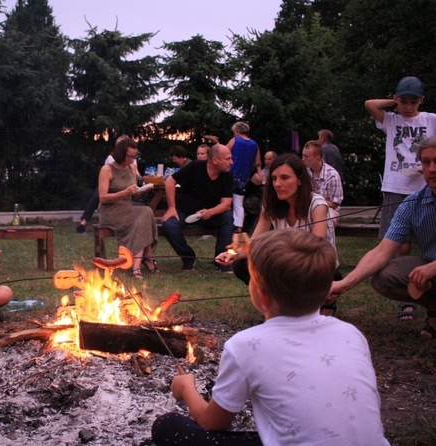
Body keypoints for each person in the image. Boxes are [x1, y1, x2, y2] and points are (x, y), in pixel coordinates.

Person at [152, 229, 390, 446]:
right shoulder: (351, 334)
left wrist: (186, 388)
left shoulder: (245, 345)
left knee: (168, 426)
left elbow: (212, 423)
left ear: (261, 295)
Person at [330, 136, 436, 338]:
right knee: (383, 277)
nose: (432, 169)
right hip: (430, 266)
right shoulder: (412, 203)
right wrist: (345, 283)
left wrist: (433, 267)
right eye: (426, 162)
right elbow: (382, 251)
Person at [217, 154, 341, 315]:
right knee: (242, 264)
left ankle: (313, 302)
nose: (277, 184)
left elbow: (317, 247)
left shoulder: (316, 204)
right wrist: (233, 254)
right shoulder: (271, 204)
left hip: (317, 267)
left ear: (300, 180)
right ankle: (281, 303)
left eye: (284, 178)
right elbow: (254, 242)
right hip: (288, 265)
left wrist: (280, 253)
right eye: (274, 178)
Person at [365, 76, 436, 320]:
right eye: (403, 101)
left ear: (421, 101)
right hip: (396, 185)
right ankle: (410, 298)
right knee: (399, 243)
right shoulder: (391, 120)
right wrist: (393, 101)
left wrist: (426, 166)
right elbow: (369, 104)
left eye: (413, 102)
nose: (408, 106)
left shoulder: (430, 119)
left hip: (423, 187)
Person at [161, 144, 234, 271]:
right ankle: (188, 258)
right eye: (228, 159)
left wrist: (210, 212)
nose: (231, 162)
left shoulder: (227, 175)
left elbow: (226, 204)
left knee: (228, 217)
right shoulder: (195, 167)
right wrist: (171, 208)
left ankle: (221, 261)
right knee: (169, 225)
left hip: (210, 214)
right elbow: (169, 182)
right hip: (185, 211)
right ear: (215, 160)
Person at [98, 138, 158, 280]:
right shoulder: (107, 169)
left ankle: (138, 263)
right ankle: (143, 262)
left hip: (127, 208)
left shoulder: (131, 169)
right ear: (120, 154)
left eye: (134, 157)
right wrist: (124, 193)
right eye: (129, 156)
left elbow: (133, 197)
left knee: (145, 213)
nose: (131, 160)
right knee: (145, 213)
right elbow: (103, 198)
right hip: (110, 211)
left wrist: (143, 190)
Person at [226, 122, 261, 232]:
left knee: (225, 200)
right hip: (244, 178)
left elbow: (224, 153)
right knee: (238, 203)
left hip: (230, 175)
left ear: (237, 131)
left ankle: (223, 225)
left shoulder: (234, 140)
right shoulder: (254, 144)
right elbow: (257, 162)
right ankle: (239, 228)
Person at [301, 140, 343, 224]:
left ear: (318, 159)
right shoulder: (304, 173)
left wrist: (316, 204)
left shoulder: (332, 175)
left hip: (329, 209)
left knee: (323, 219)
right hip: (307, 208)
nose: (302, 159)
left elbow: (335, 203)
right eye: (303, 155)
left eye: (306, 156)